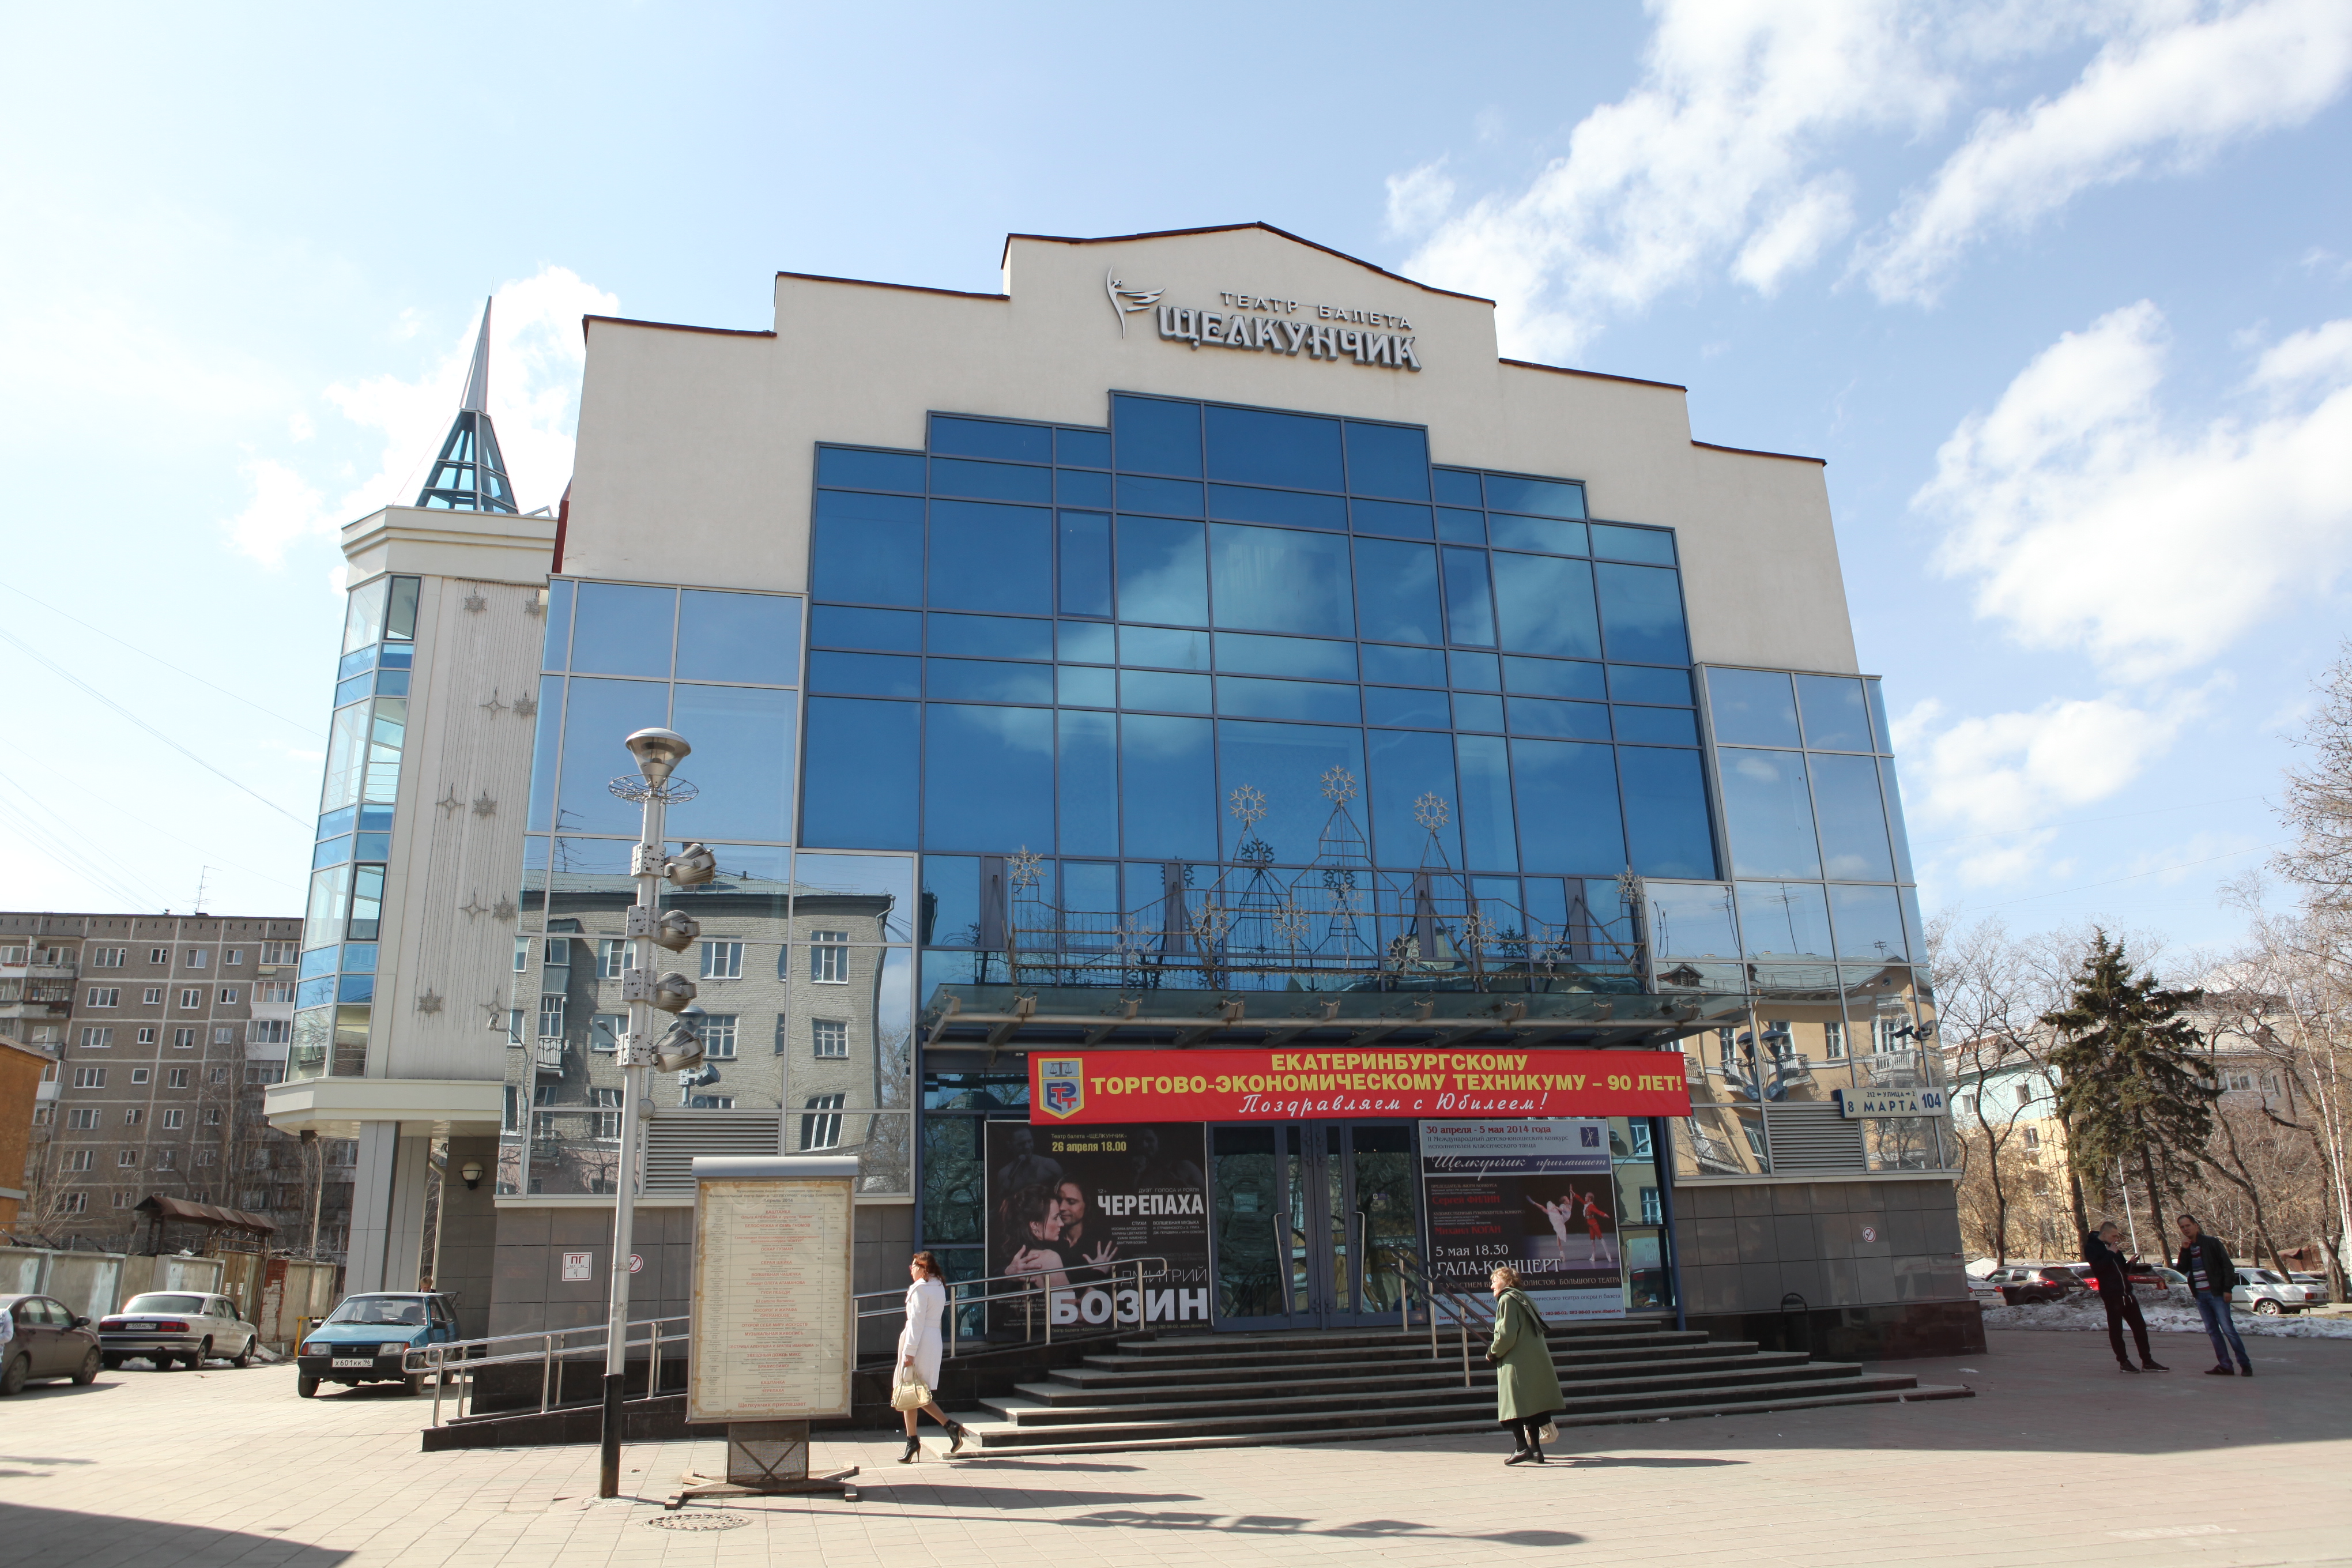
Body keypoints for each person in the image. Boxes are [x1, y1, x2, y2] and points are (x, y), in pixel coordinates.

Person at [1485, 1266, 1564, 1466]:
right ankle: (1536, 1450)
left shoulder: (1507, 1299)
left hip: (1516, 1361)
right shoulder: (1524, 1298)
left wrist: (1493, 1353)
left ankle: (1522, 1448)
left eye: (1494, 1281)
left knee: (1513, 1407)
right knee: (1531, 1407)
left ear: (1507, 1281)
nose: (1492, 1286)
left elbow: (1506, 1334)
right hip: (1533, 1360)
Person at [895, 1253, 968, 1462]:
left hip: (920, 1342)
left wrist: (909, 1352)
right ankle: (916, 1439)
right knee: (914, 1392)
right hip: (932, 1339)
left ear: (922, 1268)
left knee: (913, 1391)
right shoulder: (937, 1287)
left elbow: (916, 1322)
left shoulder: (921, 1288)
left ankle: (943, 1428)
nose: (911, 1269)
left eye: (913, 1266)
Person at [2175, 1214, 2252, 1377]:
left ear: (2196, 1225)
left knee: (2228, 1329)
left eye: (2188, 1225)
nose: (2186, 1229)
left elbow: (2227, 1266)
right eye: (2182, 1227)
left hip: (2216, 1294)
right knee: (2212, 1331)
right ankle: (2225, 1365)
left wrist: (2227, 1289)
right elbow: (2182, 1269)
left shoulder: (2211, 1243)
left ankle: (2245, 1365)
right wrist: (2184, 1249)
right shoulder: (2187, 1247)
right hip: (2201, 1296)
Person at [2083, 1222, 2166, 1373]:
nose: (2116, 1239)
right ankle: (2124, 1362)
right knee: (2116, 1329)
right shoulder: (2092, 1247)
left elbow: (2122, 1269)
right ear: (2104, 1234)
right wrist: (2110, 1253)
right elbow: (2099, 1269)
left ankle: (2147, 1361)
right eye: (2114, 1236)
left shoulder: (2113, 1248)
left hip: (2127, 1293)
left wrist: (2131, 1263)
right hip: (2112, 1295)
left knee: (2140, 1327)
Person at [1051, 1178, 1120, 1283]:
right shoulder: (1049, 1240)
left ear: (1087, 1204)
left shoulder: (1103, 1247)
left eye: (1071, 1202)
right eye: (1059, 1200)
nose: (1061, 1207)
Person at [1526, 1193, 1574, 1260]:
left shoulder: (1569, 1206)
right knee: (1546, 1211)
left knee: (1558, 1238)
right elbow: (1561, 1210)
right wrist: (1555, 1207)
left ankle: (1561, 1253)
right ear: (1564, 1202)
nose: (1569, 1199)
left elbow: (1572, 1200)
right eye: (1567, 1199)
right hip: (1560, 1220)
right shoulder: (1563, 1206)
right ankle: (1534, 1203)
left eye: (1568, 1199)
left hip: (1561, 1220)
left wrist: (1571, 1192)